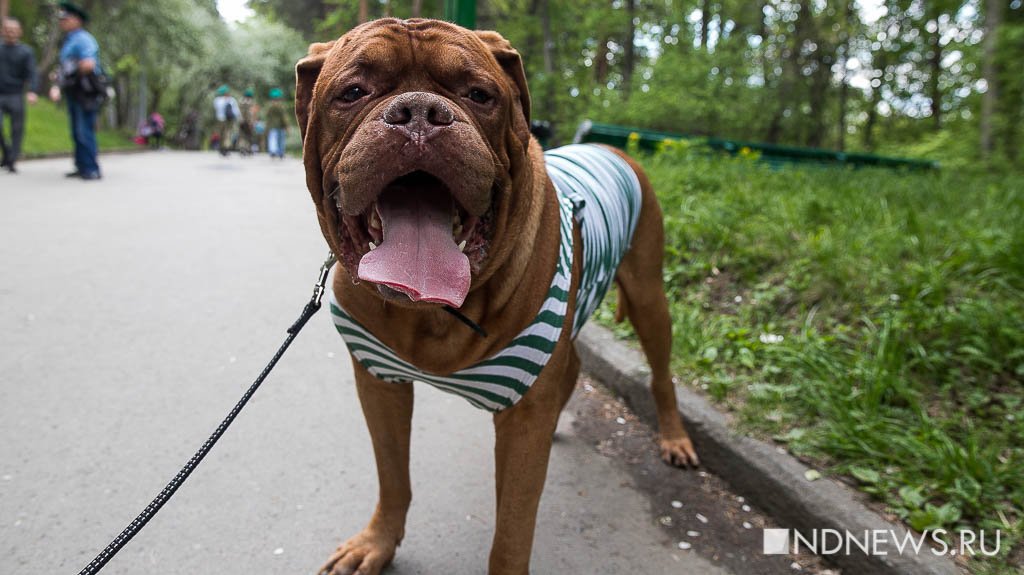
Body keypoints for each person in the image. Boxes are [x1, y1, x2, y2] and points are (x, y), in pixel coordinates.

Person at [49, 2, 104, 181]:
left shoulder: (83, 39)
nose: (62, 22)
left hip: (84, 90)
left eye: (66, 19)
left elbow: (89, 64)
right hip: (74, 91)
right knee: (76, 130)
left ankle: (91, 168)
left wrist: (69, 75)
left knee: (84, 129)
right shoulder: (69, 40)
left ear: (77, 20)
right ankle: (81, 165)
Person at [0, 18, 39, 174]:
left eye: (13, 29)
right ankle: (8, 153)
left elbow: (32, 73)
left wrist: (32, 91)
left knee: (17, 129)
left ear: (19, 32)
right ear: (2, 31)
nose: (10, 32)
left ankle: (12, 160)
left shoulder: (26, 51)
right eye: (7, 29)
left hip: (15, 94)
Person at [212, 84, 240, 156]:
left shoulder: (217, 100)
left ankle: (221, 148)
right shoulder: (231, 100)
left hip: (220, 120)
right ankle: (226, 147)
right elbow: (236, 111)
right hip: (229, 120)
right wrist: (238, 118)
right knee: (227, 134)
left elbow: (216, 109)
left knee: (221, 134)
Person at [264, 88, 289, 159]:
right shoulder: (281, 106)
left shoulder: (269, 106)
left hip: (271, 125)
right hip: (281, 125)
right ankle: (281, 152)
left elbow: (266, 116)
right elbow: (284, 117)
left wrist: (267, 125)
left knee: (272, 138)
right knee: (281, 140)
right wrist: (286, 126)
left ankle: (273, 151)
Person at [237, 87, 257, 155]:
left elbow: (238, 111)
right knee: (249, 135)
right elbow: (251, 113)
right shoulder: (251, 102)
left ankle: (242, 147)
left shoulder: (240, 101)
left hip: (241, 121)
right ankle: (248, 148)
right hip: (248, 121)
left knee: (242, 135)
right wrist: (252, 122)